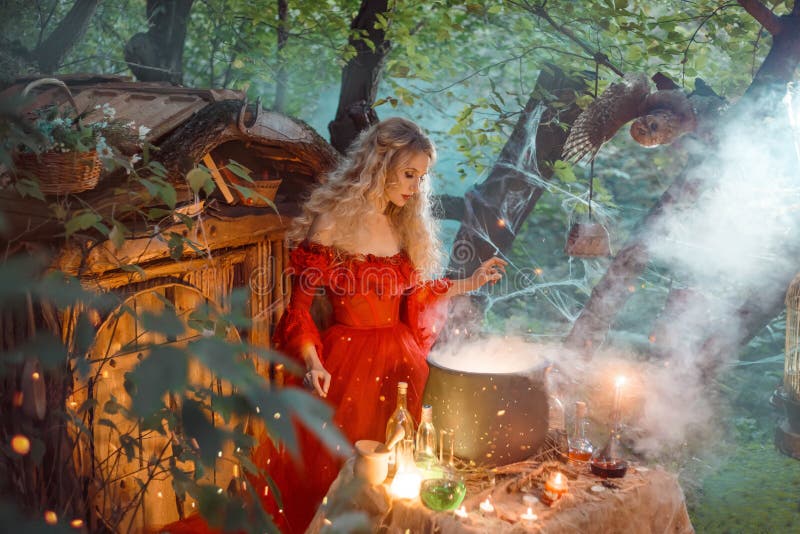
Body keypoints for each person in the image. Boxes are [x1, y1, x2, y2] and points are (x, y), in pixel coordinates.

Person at [163, 117, 506, 533]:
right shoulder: (331, 223)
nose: (416, 187)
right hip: (348, 366)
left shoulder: (403, 225)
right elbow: (299, 311)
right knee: (340, 477)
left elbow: (416, 296)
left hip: (402, 368)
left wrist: (470, 282)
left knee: (393, 478)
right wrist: (312, 361)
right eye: (409, 174)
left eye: (422, 177)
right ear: (380, 164)